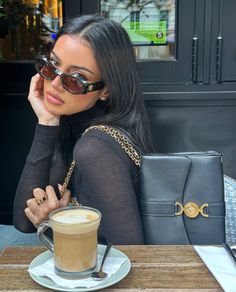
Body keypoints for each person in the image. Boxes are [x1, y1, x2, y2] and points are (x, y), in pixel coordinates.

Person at [13, 14, 153, 244]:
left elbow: (131, 253)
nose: (55, 85)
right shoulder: (75, 125)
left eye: (75, 79)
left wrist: (54, 226)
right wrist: (46, 122)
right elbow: (24, 221)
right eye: (52, 66)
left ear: (106, 90)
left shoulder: (95, 148)